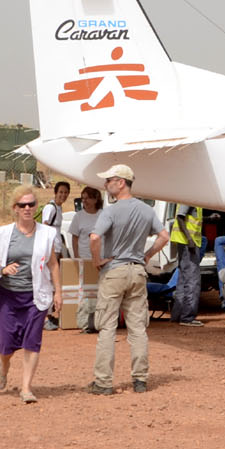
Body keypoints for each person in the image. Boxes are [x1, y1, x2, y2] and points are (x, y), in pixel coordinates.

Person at [88, 164, 169, 395]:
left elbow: (94, 237)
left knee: (107, 327)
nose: (106, 184)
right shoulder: (146, 210)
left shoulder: (111, 210)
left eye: (109, 180)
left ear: (121, 182)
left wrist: (97, 260)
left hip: (114, 270)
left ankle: (103, 382)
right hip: (137, 271)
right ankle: (140, 380)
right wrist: (147, 256)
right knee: (138, 329)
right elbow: (164, 236)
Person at [0, 188, 62, 404]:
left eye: (31, 204)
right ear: (15, 209)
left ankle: (27, 388)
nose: (27, 208)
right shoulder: (4, 233)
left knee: (32, 341)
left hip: (36, 296)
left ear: (37, 207)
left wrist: (59, 292)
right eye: (22, 205)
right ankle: (5, 364)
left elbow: (53, 263)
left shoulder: (47, 233)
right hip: (8, 295)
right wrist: (2, 268)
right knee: (6, 343)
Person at [168, 202, 205, 325]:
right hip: (187, 242)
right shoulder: (190, 198)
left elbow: (189, 217)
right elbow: (180, 217)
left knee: (183, 279)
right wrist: (189, 239)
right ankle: (187, 317)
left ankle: (178, 315)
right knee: (192, 279)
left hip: (184, 241)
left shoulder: (192, 198)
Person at [74, 186, 105, 332]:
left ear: (95, 199)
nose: (84, 201)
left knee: (100, 290)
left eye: (87, 198)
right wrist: (76, 256)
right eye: (83, 198)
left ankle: (99, 320)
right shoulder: (79, 216)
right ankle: (85, 321)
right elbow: (74, 237)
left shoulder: (103, 215)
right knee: (85, 292)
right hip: (84, 259)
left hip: (101, 259)